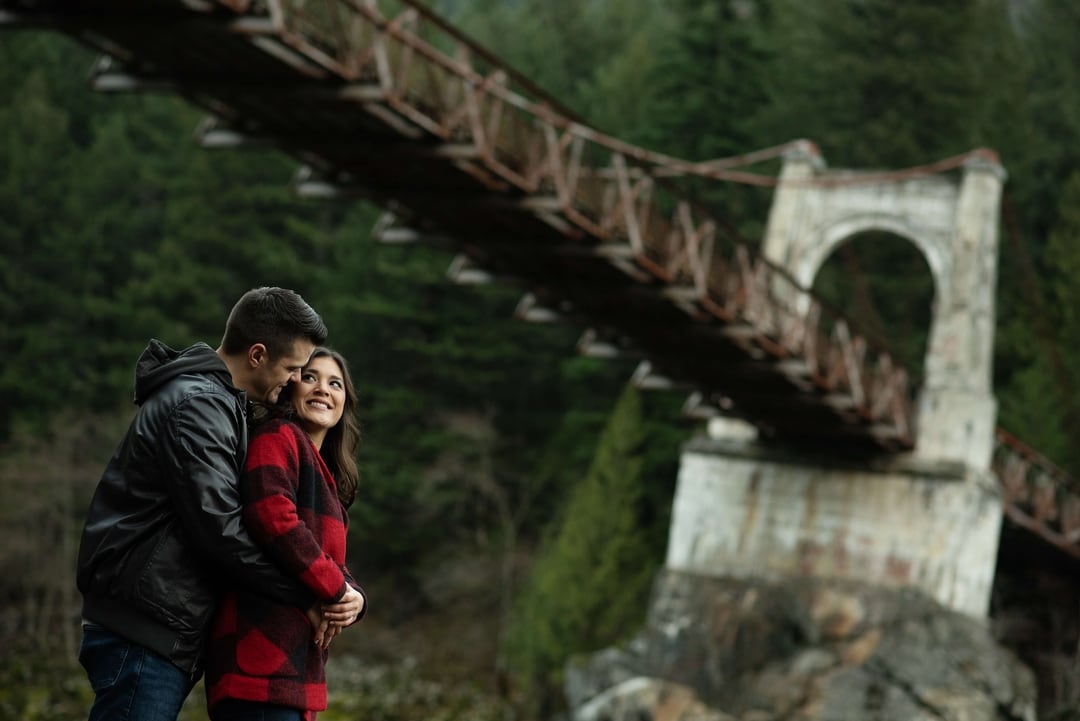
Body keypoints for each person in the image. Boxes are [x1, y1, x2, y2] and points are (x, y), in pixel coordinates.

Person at [76, 287, 352, 721]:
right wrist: (308, 593)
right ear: (258, 355)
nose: (295, 380)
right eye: (293, 368)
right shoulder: (198, 406)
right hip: (144, 624)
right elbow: (221, 530)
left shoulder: (222, 407)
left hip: (160, 624)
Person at [205, 347, 366, 721]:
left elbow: (324, 561)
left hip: (296, 671)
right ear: (290, 387)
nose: (323, 389)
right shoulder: (277, 437)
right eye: (310, 377)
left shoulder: (327, 479)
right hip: (258, 660)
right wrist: (337, 589)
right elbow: (272, 517)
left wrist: (354, 599)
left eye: (335, 383)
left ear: (345, 401)